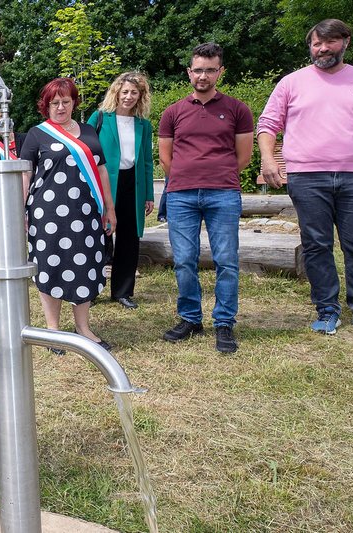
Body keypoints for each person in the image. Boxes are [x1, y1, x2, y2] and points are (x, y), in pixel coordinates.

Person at [257, 19, 353, 338]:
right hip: (307, 176)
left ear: (346, 41)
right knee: (317, 245)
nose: (321, 49)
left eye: (328, 42)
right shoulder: (291, 82)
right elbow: (268, 123)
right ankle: (327, 309)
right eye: (315, 44)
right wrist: (268, 159)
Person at [158, 42, 254, 354]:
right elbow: (165, 159)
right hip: (181, 195)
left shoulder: (238, 110)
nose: (203, 75)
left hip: (223, 193)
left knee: (226, 260)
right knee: (184, 260)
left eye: (210, 70)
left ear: (220, 72)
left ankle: (224, 322)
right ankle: (190, 318)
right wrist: (189, 176)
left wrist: (216, 175)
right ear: (189, 72)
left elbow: (243, 157)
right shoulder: (172, 112)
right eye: (198, 69)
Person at [20, 77, 117, 354]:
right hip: (47, 214)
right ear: (46, 106)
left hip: (86, 213)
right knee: (51, 265)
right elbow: (26, 175)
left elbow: (101, 171)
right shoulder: (36, 134)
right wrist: (20, 211)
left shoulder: (88, 131)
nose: (60, 107)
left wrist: (109, 209)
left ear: (74, 102)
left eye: (65, 101)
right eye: (54, 103)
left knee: (84, 265)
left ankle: (83, 328)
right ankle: (53, 329)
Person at [87, 72, 154, 310]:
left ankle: (123, 291)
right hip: (104, 183)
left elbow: (147, 161)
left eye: (134, 93)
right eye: (124, 92)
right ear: (116, 92)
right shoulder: (100, 118)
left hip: (132, 184)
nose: (128, 96)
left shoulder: (144, 125)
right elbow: (86, 153)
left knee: (129, 239)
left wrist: (149, 195)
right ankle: (91, 289)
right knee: (99, 237)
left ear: (140, 96)